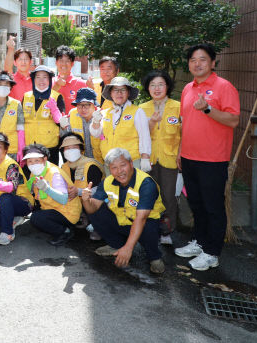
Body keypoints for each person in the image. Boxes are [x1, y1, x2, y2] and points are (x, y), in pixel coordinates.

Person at [174, 44, 239, 271]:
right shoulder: (187, 89)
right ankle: (200, 242)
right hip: (190, 157)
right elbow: (185, 125)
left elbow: (233, 120)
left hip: (213, 159)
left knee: (213, 206)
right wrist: (181, 152)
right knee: (197, 204)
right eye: (193, 59)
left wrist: (208, 109)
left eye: (202, 59)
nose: (197, 63)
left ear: (213, 63)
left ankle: (212, 253)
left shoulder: (224, 87)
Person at [81, 147, 166, 274]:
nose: (119, 171)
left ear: (131, 164)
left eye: (123, 165)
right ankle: (116, 245)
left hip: (144, 223)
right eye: (114, 167)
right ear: (110, 169)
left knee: (148, 225)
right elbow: (92, 208)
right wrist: (86, 200)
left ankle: (154, 257)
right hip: (123, 221)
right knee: (96, 212)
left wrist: (129, 248)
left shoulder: (146, 183)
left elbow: (141, 218)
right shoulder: (107, 182)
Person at [139, 70, 181, 246]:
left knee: (169, 196)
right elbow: (140, 135)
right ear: (148, 88)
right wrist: (151, 123)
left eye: (161, 84)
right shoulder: (142, 108)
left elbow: (185, 133)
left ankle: (167, 230)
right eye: (152, 85)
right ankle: (151, 228)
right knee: (150, 195)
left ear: (167, 87)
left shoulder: (178, 106)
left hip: (170, 158)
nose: (157, 88)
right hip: (149, 159)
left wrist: (181, 154)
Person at [90, 77, 152, 172]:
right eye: (115, 90)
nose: (119, 93)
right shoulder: (105, 113)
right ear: (110, 93)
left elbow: (144, 136)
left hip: (131, 162)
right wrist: (95, 122)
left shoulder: (137, 111)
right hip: (110, 163)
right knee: (111, 187)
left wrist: (145, 158)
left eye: (123, 90)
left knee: (131, 187)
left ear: (128, 93)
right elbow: (96, 134)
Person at [25, 144, 81, 246]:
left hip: (67, 212)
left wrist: (46, 189)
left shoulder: (54, 173)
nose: (33, 164)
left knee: (36, 218)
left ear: (44, 159)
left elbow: (64, 199)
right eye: (30, 161)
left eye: (36, 160)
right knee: (34, 212)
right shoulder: (35, 172)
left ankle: (65, 231)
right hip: (53, 208)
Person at [22, 65, 68, 165]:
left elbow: (61, 123)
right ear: (33, 80)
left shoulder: (56, 97)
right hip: (29, 146)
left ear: (50, 80)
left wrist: (55, 112)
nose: (41, 80)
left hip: (49, 147)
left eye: (45, 77)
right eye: (38, 77)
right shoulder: (26, 96)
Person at [66, 87, 104, 165]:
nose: (83, 109)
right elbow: (67, 139)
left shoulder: (103, 116)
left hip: (100, 162)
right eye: (80, 105)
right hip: (79, 161)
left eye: (87, 105)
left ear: (94, 105)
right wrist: (63, 128)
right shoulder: (72, 115)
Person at [2, 35, 34, 101]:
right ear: (15, 63)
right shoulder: (11, 79)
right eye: (20, 59)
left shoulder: (36, 79)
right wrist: (10, 49)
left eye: (26, 59)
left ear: (31, 62)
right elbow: (7, 69)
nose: (23, 62)